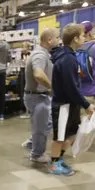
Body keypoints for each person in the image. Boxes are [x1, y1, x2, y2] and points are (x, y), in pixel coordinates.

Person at [49, 24, 95, 176]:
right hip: (63, 104)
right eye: (82, 35)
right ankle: (54, 163)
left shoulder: (69, 56)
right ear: (75, 38)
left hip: (70, 103)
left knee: (71, 133)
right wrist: (86, 104)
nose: (84, 37)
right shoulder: (68, 59)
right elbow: (70, 87)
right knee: (60, 136)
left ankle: (59, 159)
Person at [23, 28, 59, 163]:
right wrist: (51, 87)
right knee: (41, 127)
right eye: (57, 37)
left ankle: (33, 142)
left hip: (39, 96)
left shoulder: (42, 54)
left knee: (45, 123)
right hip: (38, 97)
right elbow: (38, 74)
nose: (59, 40)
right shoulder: (40, 55)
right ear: (49, 40)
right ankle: (37, 154)